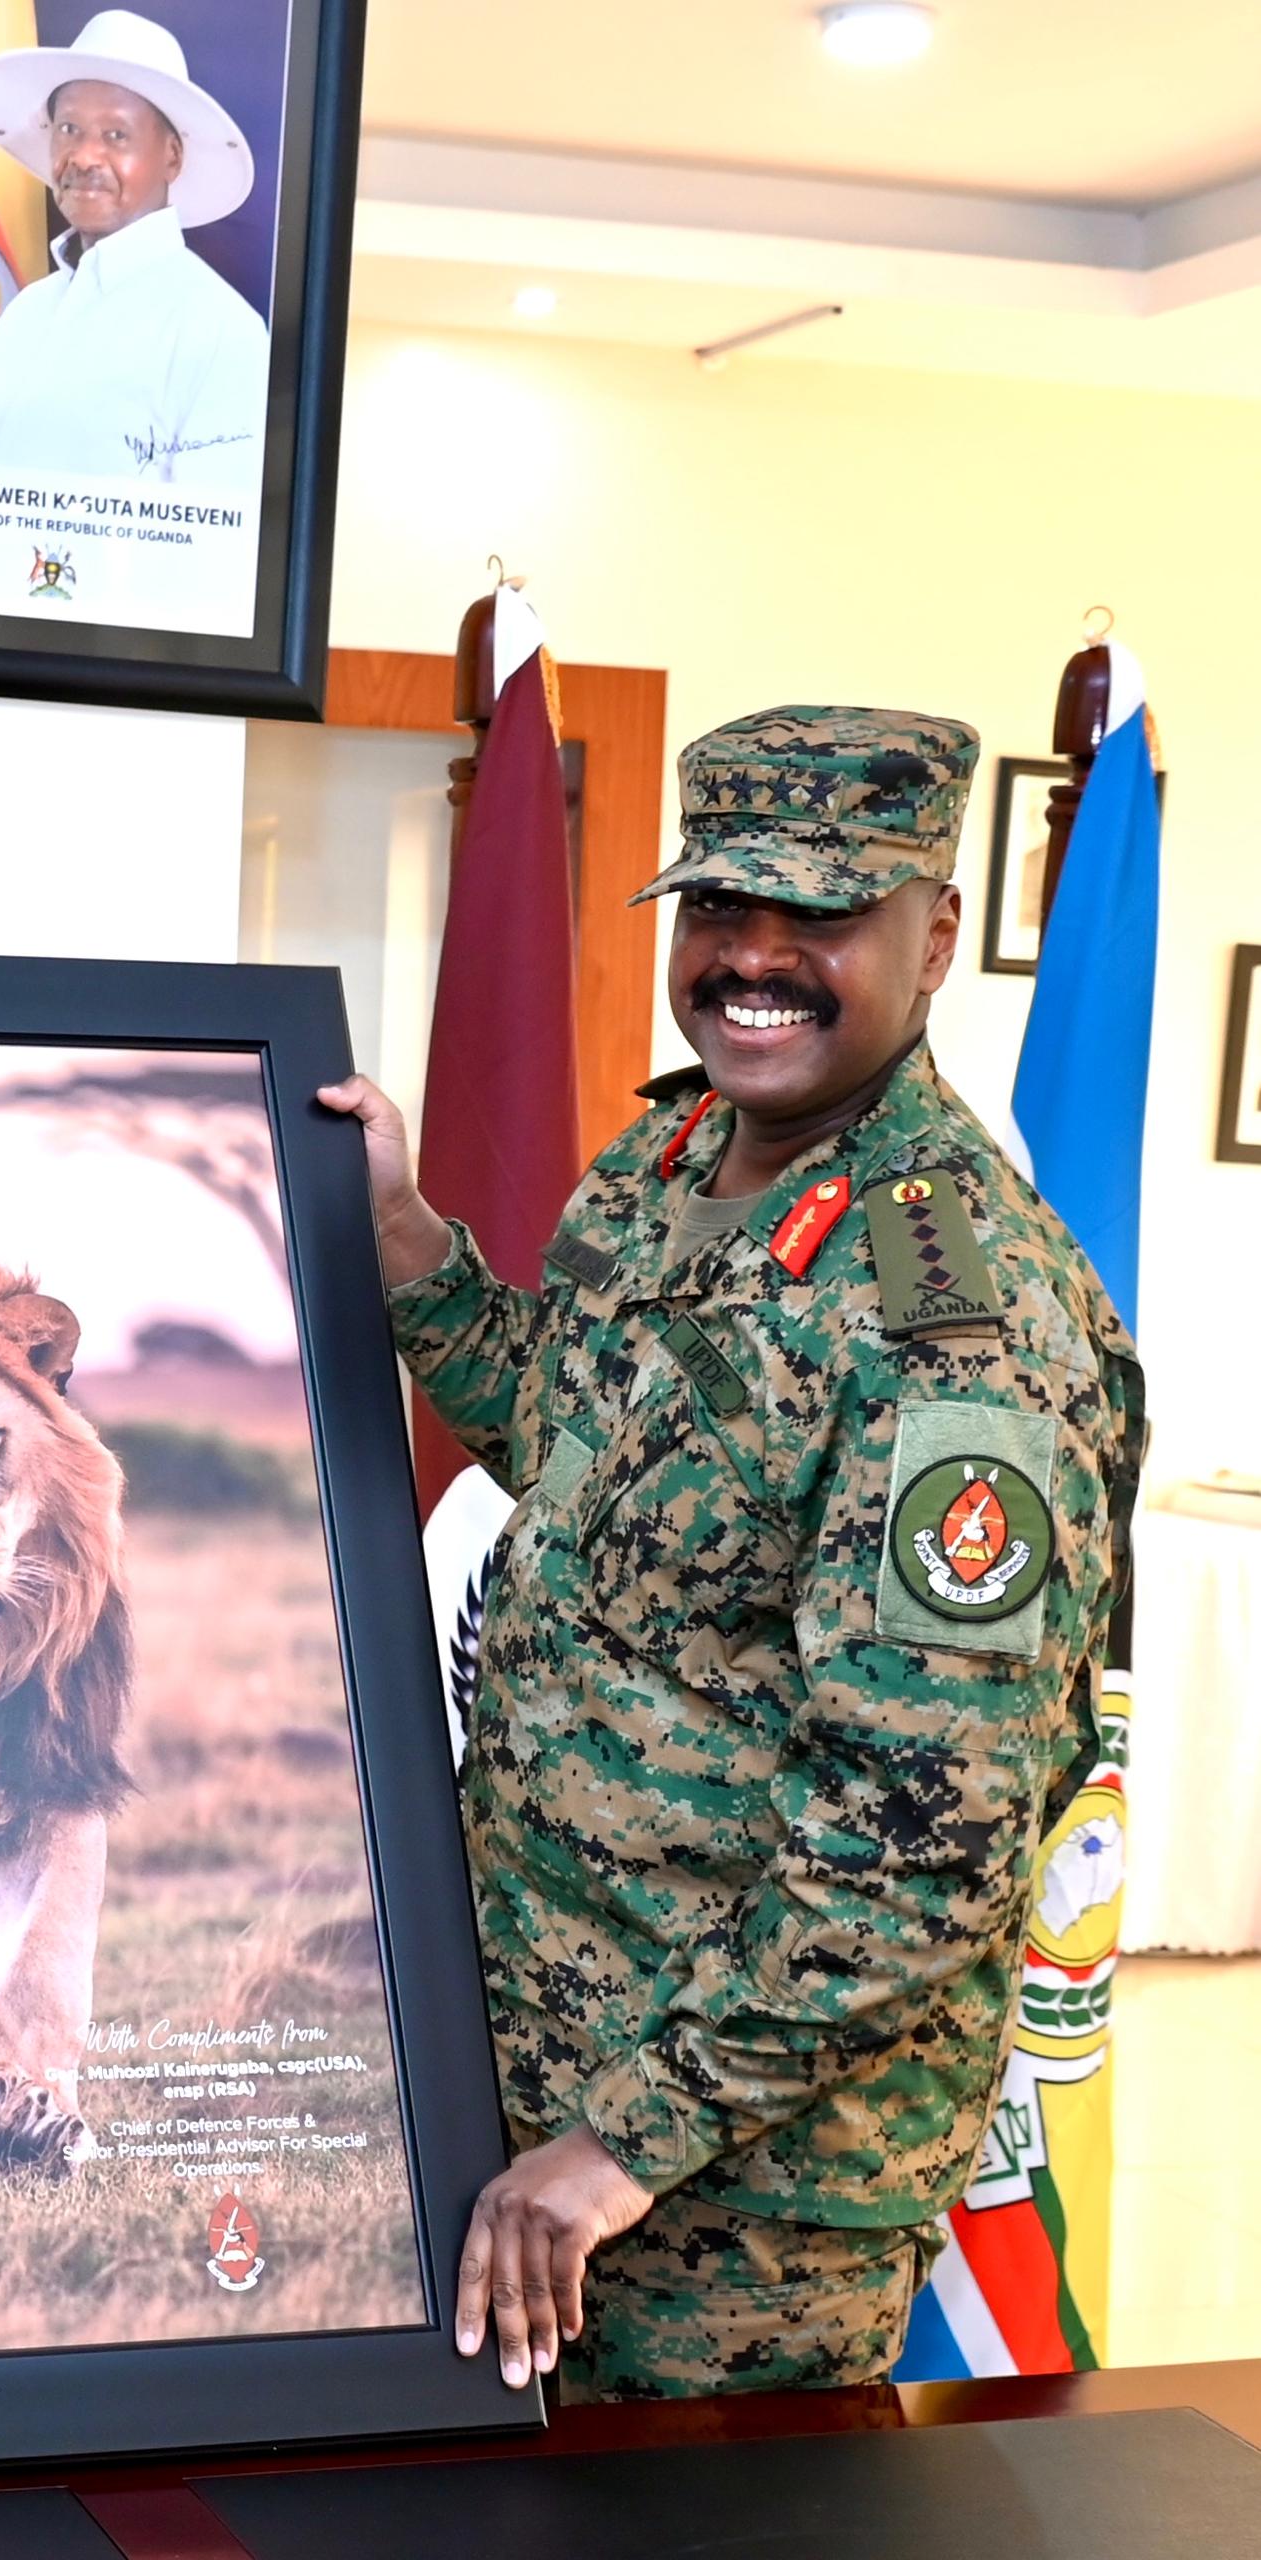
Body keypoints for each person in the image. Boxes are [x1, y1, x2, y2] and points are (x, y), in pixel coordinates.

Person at [322, 706, 1145, 2401]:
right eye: (717, 909)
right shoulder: (675, 1158)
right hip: (542, 2074)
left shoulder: (952, 1324)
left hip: (735, 2201)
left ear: (931, 937)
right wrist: (406, 1242)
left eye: (820, 916)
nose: (754, 960)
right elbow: (574, 1445)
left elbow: (924, 1847)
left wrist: (623, 2144)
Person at [0, 9, 268, 488]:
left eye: (116, 135)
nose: (83, 156)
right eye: (68, 129)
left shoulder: (220, 331)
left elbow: (213, 550)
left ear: (172, 156)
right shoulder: (25, 314)